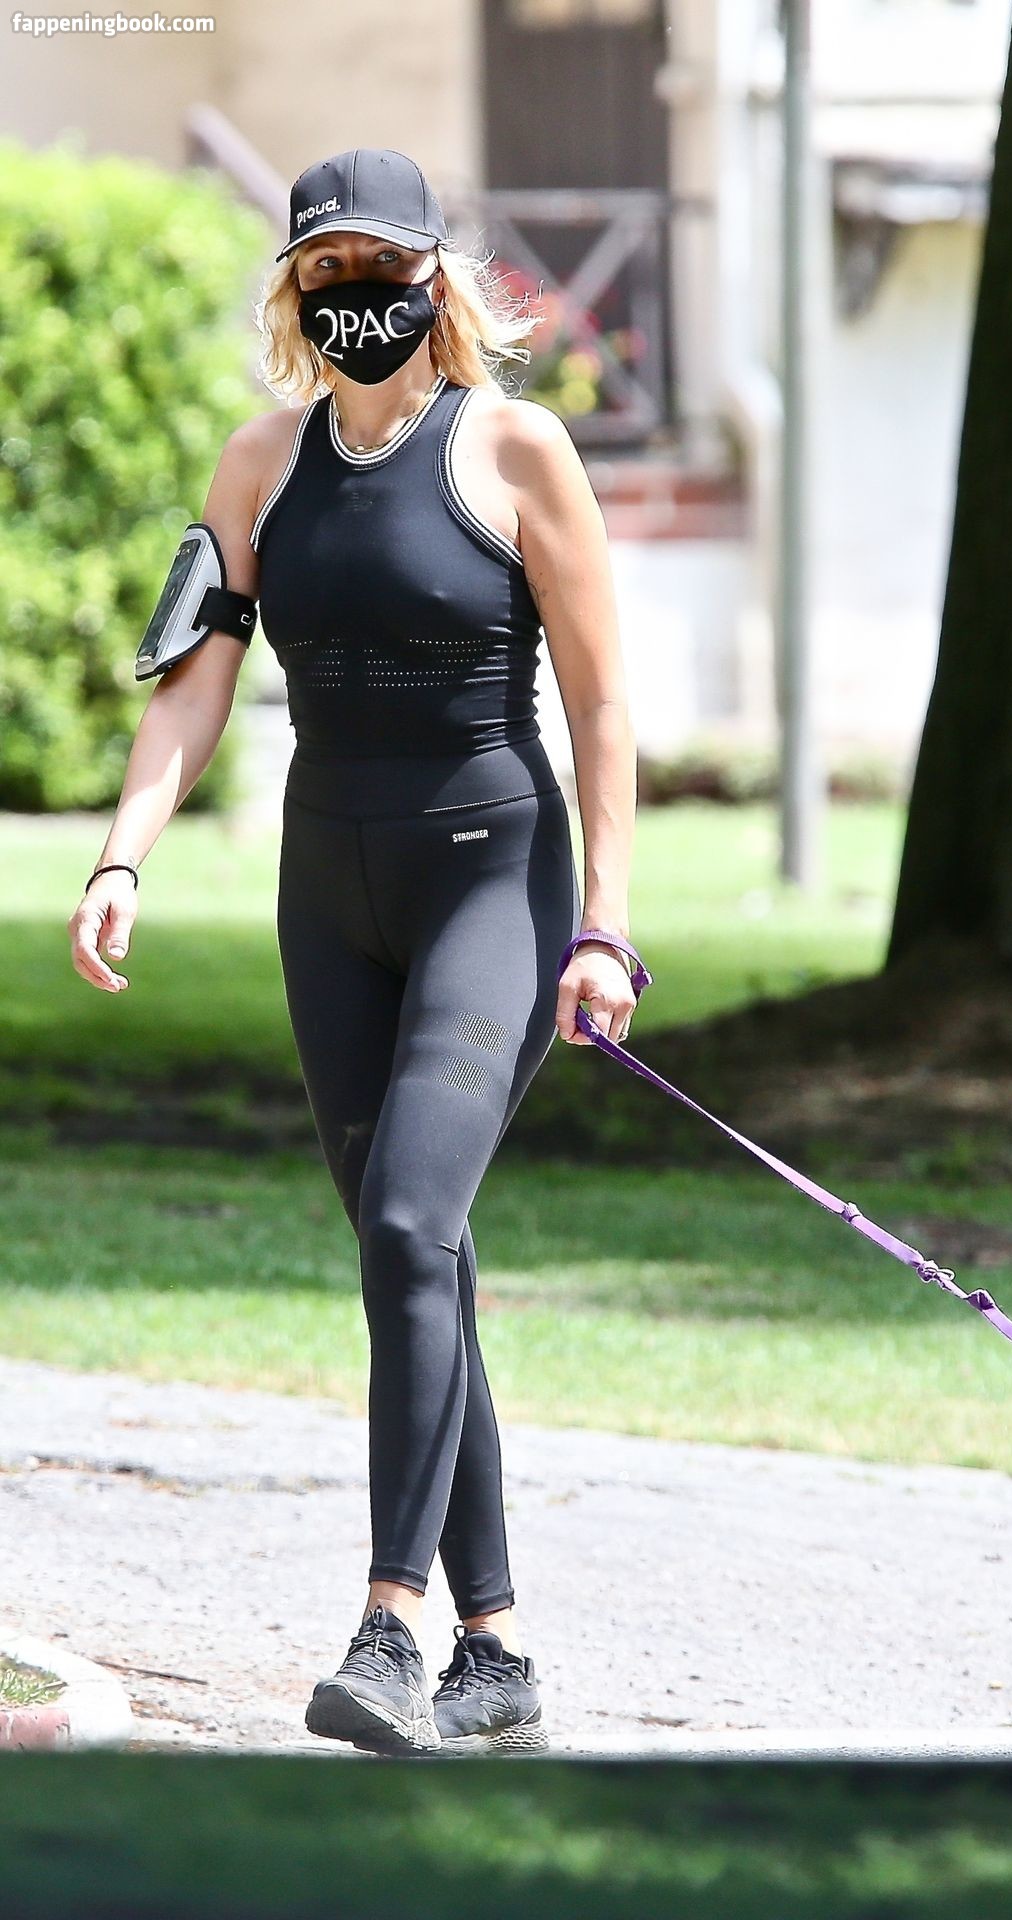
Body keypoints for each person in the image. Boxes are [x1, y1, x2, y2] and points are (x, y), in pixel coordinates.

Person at [67, 147, 643, 1756]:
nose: (352, 295)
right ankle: (496, 1651)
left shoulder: (515, 449)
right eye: (322, 271)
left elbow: (601, 703)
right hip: (327, 894)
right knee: (415, 1259)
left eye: (379, 266)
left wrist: (605, 925)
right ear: (294, 291)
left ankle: (389, 1626)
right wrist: (122, 854)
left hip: (490, 883)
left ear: (434, 277)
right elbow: (193, 681)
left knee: (406, 1222)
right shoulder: (260, 465)